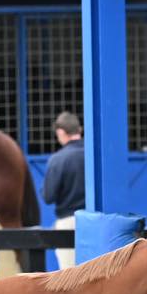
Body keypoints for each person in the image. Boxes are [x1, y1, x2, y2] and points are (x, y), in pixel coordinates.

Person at [42, 111, 85, 270]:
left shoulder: (58, 159)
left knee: (70, 277)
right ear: (79, 129)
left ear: (61, 132)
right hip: (97, 221)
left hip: (68, 221)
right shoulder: (95, 154)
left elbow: (48, 196)